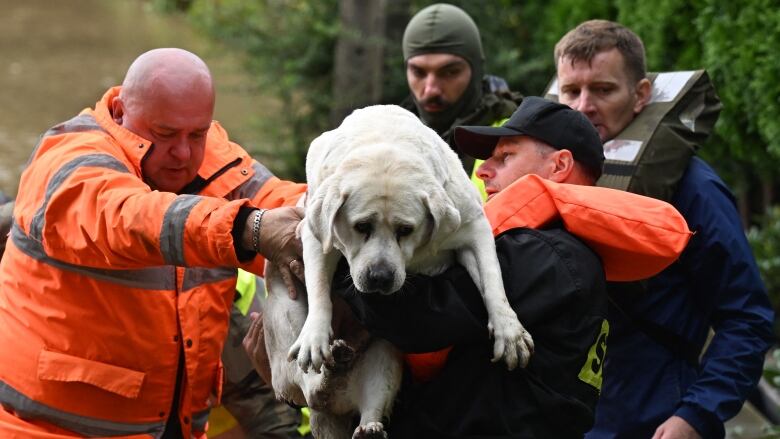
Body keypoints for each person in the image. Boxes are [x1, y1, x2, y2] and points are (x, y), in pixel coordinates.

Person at [315, 96, 690, 438]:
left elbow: (415, 319)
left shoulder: (548, 256)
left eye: (504, 157)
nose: (482, 171)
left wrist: (344, 255)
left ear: (559, 164)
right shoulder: (557, 251)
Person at [0, 48, 308, 438]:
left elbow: (282, 203)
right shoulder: (70, 158)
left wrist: (346, 214)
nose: (183, 153)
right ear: (120, 115)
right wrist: (249, 228)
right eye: (164, 134)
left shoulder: (211, 156)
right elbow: (131, 217)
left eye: (197, 133)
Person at [554, 20, 775, 439]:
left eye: (603, 90)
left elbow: (746, 319)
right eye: (571, 92)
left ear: (640, 96)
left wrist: (696, 416)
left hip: (653, 421)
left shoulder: (695, 189)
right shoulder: (548, 182)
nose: (583, 106)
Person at [401, 3, 523, 189]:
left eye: (449, 72)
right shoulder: (386, 138)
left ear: (476, 71)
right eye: (419, 72)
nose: (431, 89)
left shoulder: (516, 137)